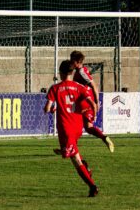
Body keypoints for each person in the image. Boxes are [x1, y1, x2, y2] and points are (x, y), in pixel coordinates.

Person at [47, 60, 101, 197]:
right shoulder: (79, 87)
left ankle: (92, 185)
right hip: (77, 127)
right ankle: (85, 168)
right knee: (74, 153)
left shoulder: (55, 88)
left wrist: (51, 108)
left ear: (61, 73)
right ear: (72, 72)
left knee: (75, 160)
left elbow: (47, 108)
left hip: (66, 127)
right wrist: (93, 117)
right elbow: (93, 104)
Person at [69, 51, 115, 152]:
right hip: (86, 102)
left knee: (73, 127)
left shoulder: (81, 72)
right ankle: (105, 138)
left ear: (77, 61)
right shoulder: (81, 70)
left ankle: (70, 148)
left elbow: (94, 86)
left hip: (84, 102)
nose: (70, 62)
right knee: (88, 128)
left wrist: (96, 102)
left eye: (72, 60)